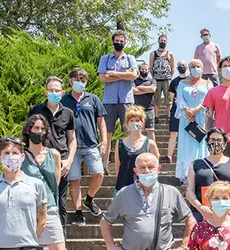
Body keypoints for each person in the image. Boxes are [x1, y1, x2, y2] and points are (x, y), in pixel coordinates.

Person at [21, 115, 77, 250]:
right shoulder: (20, 155)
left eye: (42, 129)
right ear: (27, 130)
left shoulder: (53, 154)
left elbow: (55, 184)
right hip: (26, 211)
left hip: (49, 208)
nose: (39, 132)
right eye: (35, 128)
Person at [28, 76, 76, 239]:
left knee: (60, 202)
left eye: (57, 90)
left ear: (62, 93)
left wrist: (69, 161)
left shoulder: (68, 113)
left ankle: (59, 239)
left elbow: (72, 139)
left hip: (60, 162)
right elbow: (28, 134)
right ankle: (36, 238)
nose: (53, 93)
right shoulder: (36, 110)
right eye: (51, 90)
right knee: (36, 201)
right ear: (45, 91)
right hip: (38, 161)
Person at [61, 67, 108, 226]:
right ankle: (78, 213)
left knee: (99, 173)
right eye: (76, 80)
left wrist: (104, 140)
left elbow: (101, 121)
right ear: (70, 81)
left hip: (91, 144)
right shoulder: (63, 100)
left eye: (83, 80)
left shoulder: (93, 98)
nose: (80, 83)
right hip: (70, 147)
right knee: (74, 180)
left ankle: (89, 199)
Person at [97, 29, 138, 171]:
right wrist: (123, 75)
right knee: (107, 134)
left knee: (129, 131)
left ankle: (129, 162)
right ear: (113, 41)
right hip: (109, 101)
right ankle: (104, 165)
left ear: (125, 43)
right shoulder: (105, 59)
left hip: (126, 100)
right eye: (117, 41)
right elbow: (102, 78)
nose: (119, 43)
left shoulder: (130, 59)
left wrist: (114, 74)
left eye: (122, 41)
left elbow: (133, 75)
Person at [185, 128, 230, 222]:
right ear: (207, 142)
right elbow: (189, 191)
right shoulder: (195, 164)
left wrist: (225, 205)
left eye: (219, 140)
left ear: (225, 144)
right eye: (212, 140)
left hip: (228, 210)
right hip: (201, 213)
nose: (215, 143)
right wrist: (200, 208)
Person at [175, 60, 212, 182]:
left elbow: (209, 99)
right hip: (187, 119)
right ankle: (185, 174)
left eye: (198, 66)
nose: (195, 68)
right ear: (189, 69)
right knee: (186, 145)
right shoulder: (182, 83)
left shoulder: (208, 83)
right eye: (192, 67)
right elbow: (179, 98)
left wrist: (196, 110)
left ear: (202, 68)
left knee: (201, 144)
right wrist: (187, 111)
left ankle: (202, 172)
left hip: (202, 118)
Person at [115, 106, 160, 191]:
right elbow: (118, 166)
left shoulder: (150, 144)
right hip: (123, 187)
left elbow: (155, 166)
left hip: (144, 188)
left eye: (137, 120)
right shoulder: (119, 143)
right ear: (127, 123)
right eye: (131, 120)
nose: (134, 123)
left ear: (142, 122)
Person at [162, 61, 189, 164]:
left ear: (187, 67)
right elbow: (171, 97)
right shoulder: (174, 81)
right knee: (173, 133)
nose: (181, 67)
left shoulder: (190, 80)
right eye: (180, 65)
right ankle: (169, 156)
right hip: (176, 110)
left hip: (188, 111)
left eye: (183, 65)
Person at [149, 34, 175, 118]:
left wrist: (169, 76)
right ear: (158, 41)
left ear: (166, 42)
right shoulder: (153, 54)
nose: (162, 42)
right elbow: (151, 67)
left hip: (167, 79)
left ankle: (168, 115)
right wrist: (154, 76)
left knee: (169, 99)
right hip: (156, 79)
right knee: (156, 100)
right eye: (161, 40)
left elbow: (172, 68)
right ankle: (156, 116)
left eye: (164, 41)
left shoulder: (170, 54)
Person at [133, 63, 157, 143]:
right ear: (139, 70)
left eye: (146, 69)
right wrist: (147, 90)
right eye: (142, 69)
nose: (144, 71)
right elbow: (134, 92)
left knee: (150, 131)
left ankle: (153, 150)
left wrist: (140, 87)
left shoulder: (152, 80)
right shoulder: (134, 81)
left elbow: (153, 89)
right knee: (138, 130)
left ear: (149, 70)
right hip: (137, 109)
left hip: (149, 109)